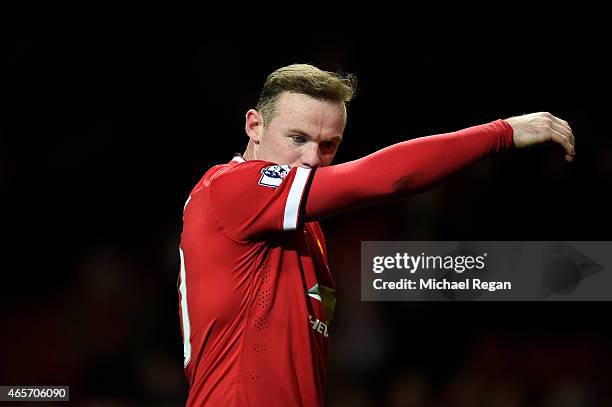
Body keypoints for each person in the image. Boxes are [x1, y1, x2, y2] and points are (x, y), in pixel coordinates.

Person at [177, 64, 575, 406]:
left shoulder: (305, 229)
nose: (313, 159)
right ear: (254, 125)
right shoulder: (230, 188)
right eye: (298, 138)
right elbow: (384, 178)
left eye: (329, 144)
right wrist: (502, 132)